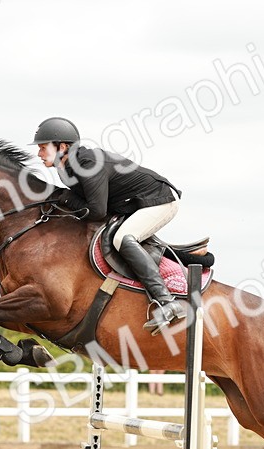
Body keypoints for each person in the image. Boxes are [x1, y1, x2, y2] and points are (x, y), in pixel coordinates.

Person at [33, 116, 186, 335]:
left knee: (122, 239)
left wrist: (65, 197)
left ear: (62, 147)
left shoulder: (87, 163)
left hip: (160, 200)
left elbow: (96, 212)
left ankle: (167, 302)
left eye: (42, 148)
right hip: (130, 204)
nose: (39, 154)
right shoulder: (67, 167)